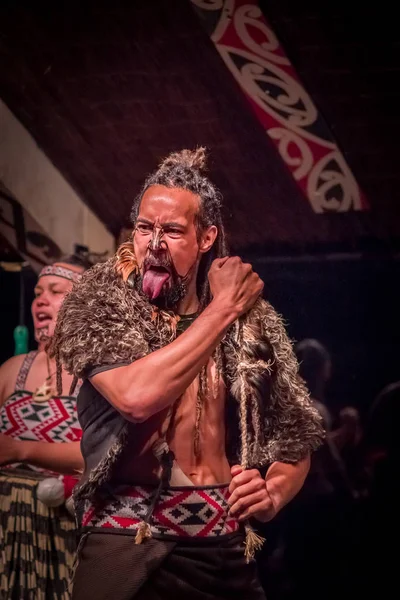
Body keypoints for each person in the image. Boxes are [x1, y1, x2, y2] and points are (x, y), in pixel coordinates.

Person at [50, 148, 323, 600]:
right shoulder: (100, 303)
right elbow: (137, 397)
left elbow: (297, 436)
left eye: (173, 231)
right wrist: (224, 307)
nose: (154, 243)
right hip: (128, 542)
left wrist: (273, 492)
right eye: (144, 228)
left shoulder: (250, 323)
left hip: (224, 546)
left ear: (206, 238)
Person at [0, 254, 91, 599]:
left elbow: (101, 454)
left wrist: (20, 449)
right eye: (38, 291)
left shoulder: (100, 374)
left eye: (55, 291)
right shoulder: (13, 370)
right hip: (5, 526)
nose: (41, 298)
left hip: (63, 528)